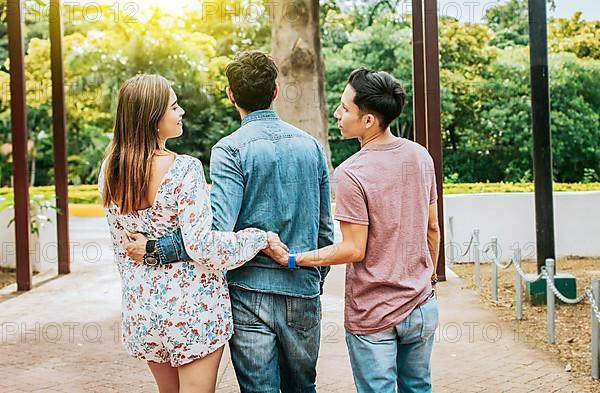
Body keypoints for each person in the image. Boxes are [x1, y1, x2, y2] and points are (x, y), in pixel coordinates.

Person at [124, 52, 334, 393]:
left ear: (231, 95)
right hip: (302, 287)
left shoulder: (229, 149)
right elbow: (325, 229)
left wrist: (155, 248)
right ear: (275, 91)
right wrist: (314, 280)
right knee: (303, 387)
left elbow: (214, 230)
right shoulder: (311, 147)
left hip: (249, 292)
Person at [99, 74, 285, 393]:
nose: (181, 111)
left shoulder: (110, 171)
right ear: (152, 119)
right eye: (174, 106)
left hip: (143, 309)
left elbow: (122, 250)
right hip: (191, 310)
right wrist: (259, 238)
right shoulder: (184, 169)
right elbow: (203, 246)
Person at [272, 68, 441, 393]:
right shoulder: (420, 156)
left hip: (373, 314)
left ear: (368, 120)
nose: (338, 113)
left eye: (345, 108)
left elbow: (353, 249)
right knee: (418, 388)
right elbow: (432, 228)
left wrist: (294, 259)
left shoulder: (352, 173)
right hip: (421, 305)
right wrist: (429, 278)